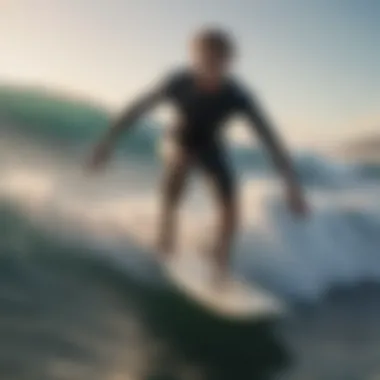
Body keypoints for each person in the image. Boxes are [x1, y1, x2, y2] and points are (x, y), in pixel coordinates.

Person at [88, 27, 308, 282]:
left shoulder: (238, 95)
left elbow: (269, 138)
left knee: (230, 206)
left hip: (210, 146)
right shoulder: (178, 82)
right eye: (205, 60)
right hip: (176, 141)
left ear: (229, 62)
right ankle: (166, 236)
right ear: (195, 58)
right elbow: (138, 108)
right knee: (180, 164)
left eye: (219, 62)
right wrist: (106, 142)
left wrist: (292, 185)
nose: (211, 67)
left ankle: (221, 262)